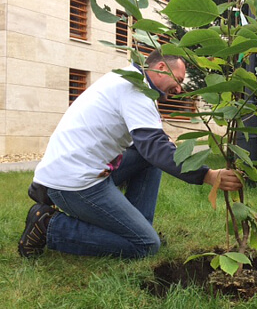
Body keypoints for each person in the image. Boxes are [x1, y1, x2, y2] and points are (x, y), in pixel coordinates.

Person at [18, 50, 242, 258]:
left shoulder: (128, 79)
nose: (180, 89)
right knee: (146, 246)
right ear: (162, 68)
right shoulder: (135, 90)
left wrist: (163, 144)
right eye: (180, 80)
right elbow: (155, 148)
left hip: (81, 172)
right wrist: (207, 175)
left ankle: (139, 227)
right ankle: (50, 226)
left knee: (149, 159)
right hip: (76, 185)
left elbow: (147, 146)